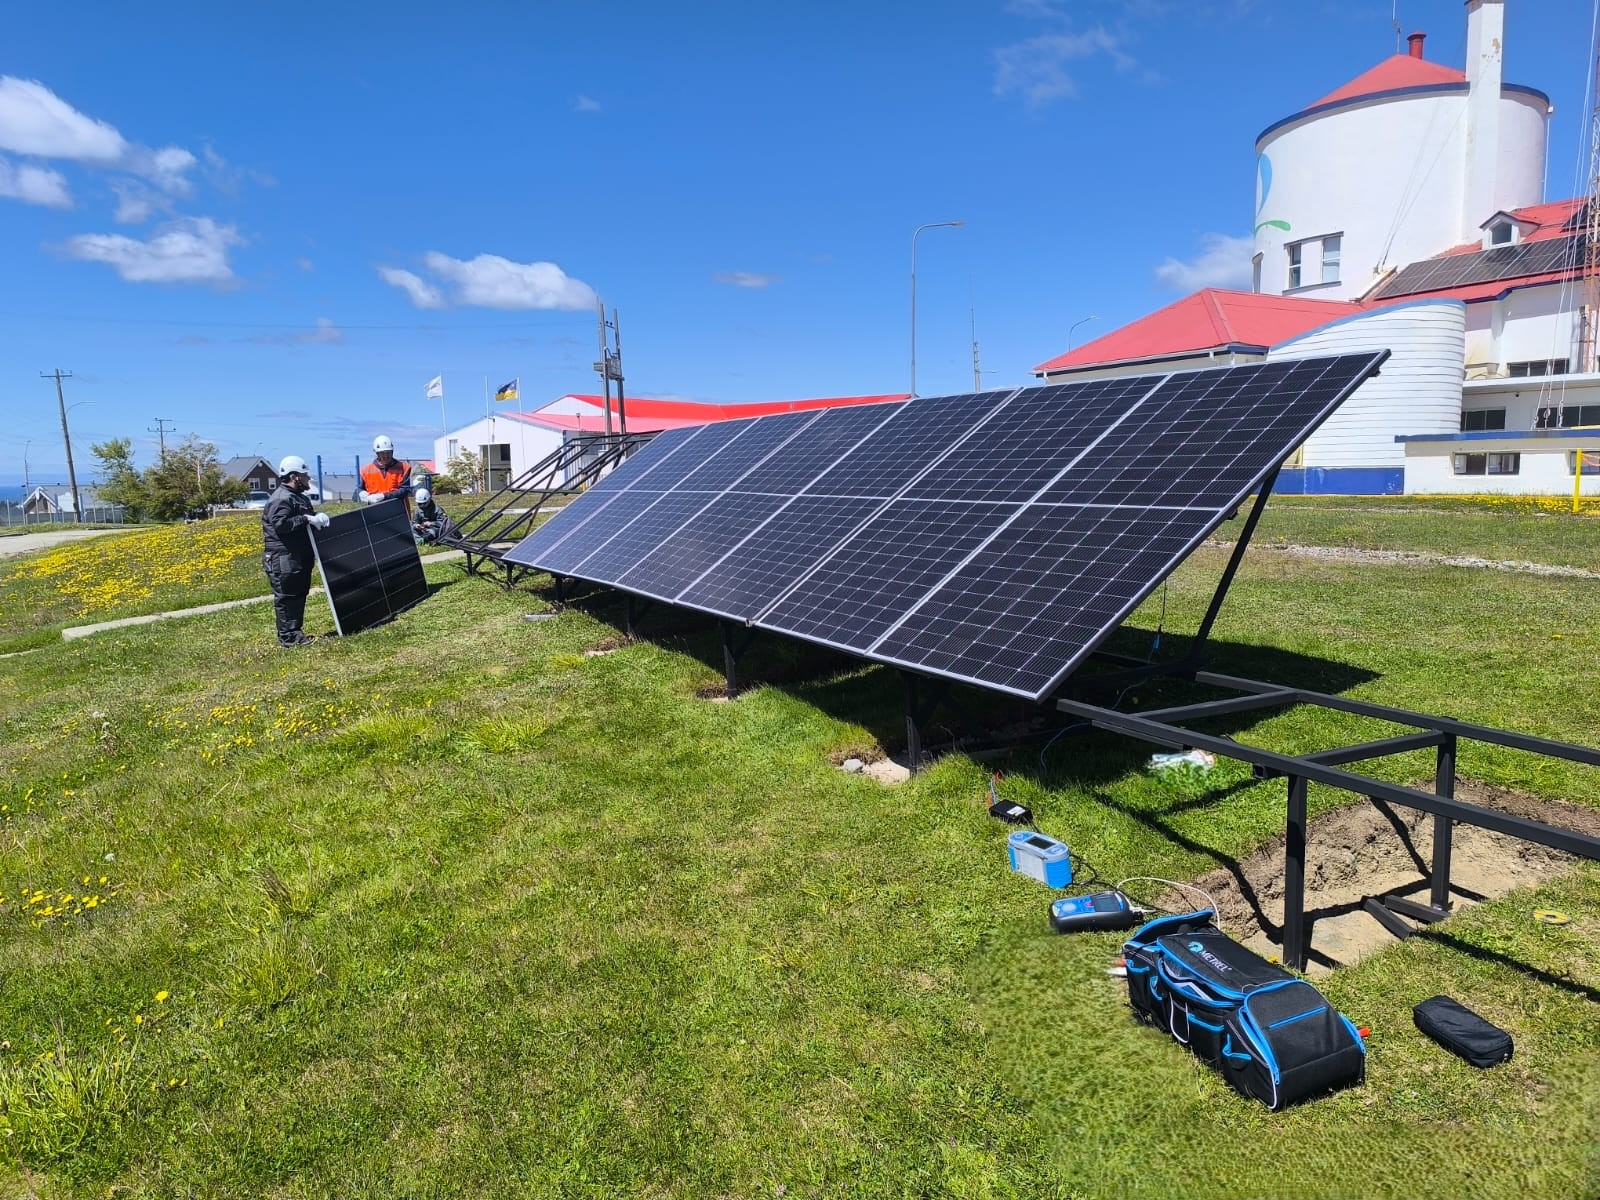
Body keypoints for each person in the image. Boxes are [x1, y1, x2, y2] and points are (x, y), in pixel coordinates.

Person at [262, 455, 330, 647]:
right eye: (304, 475)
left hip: (297, 556)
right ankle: (289, 637)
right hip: (283, 557)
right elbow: (281, 524)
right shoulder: (281, 499)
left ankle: (295, 632)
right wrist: (306, 519)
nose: (308, 479)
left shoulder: (298, 497)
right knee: (287, 597)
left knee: (298, 595)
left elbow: (306, 519)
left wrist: (317, 518)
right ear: (294, 476)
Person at [358, 435, 413, 510]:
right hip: (375, 511)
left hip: (399, 512)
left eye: (388, 452)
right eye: (383, 453)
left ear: (392, 452)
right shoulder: (366, 471)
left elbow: (405, 491)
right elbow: (358, 489)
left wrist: (384, 496)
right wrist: (361, 493)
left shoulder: (404, 468)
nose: (386, 455)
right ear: (377, 453)